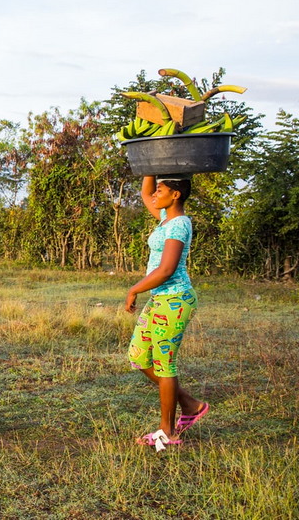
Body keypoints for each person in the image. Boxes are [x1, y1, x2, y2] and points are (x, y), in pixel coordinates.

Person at [125, 175, 210, 450]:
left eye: (161, 190)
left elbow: (166, 269)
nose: (155, 194)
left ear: (175, 195)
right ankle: (189, 404)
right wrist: (151, 164)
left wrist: (134, 289)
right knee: (138, 355)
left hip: (175, 299)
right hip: (160, 298)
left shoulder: (180, 225)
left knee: (164, 365)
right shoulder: (164, 217)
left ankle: (168, 433)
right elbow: (146, 191)